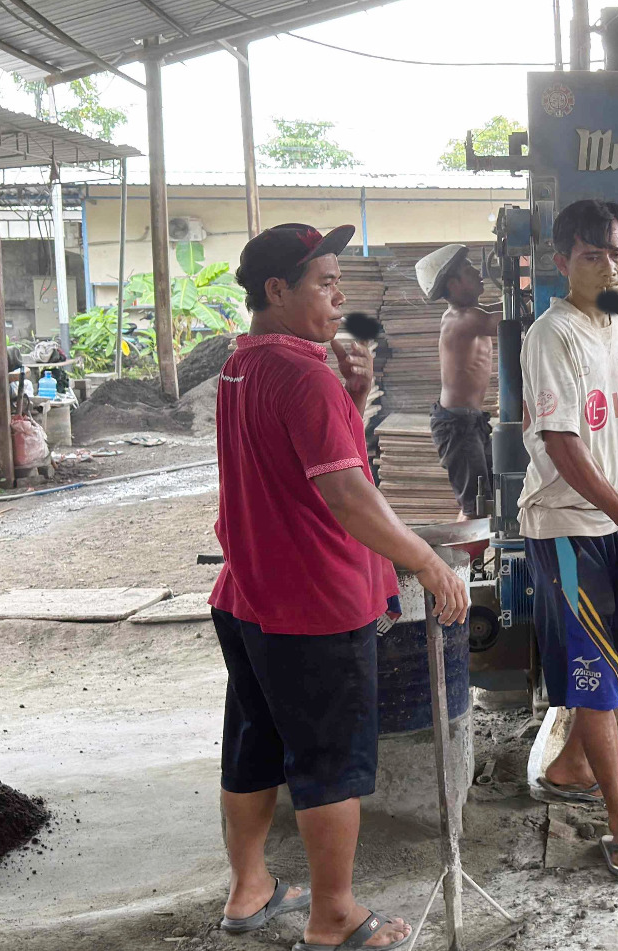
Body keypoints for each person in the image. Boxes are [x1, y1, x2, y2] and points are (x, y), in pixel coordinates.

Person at [210, 222, 470, 951]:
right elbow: (349, 496)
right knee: (329, 764)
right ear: (277, 290)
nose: (338, 296)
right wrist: (428, 562)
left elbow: (302, 463)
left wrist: (353, 397)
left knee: (255, 744)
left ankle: (250, 888)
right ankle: (333, 917)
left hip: (248, 593)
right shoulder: (303, 376)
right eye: (324, 283)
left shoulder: (242, 365)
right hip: (313, 603)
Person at [518, 198, 618, 878]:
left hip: (617, 517)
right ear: (561, 262)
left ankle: (574, 762)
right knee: (595, 670)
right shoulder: (551, 335)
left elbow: (616, 436)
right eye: (592, 255)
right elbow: (564, 445)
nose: (609, 267)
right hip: (566, 525)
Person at [418, 244, 496, 519]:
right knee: (476, 508)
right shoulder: (462, 319)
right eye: (468, 268)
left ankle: (471, 544)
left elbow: (503, 309)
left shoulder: (473, 313)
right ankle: (463, 548)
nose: (478, 272)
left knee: (488, 498)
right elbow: (509, 319)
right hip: (458, 425)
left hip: (470, 421)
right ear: (453, 284)